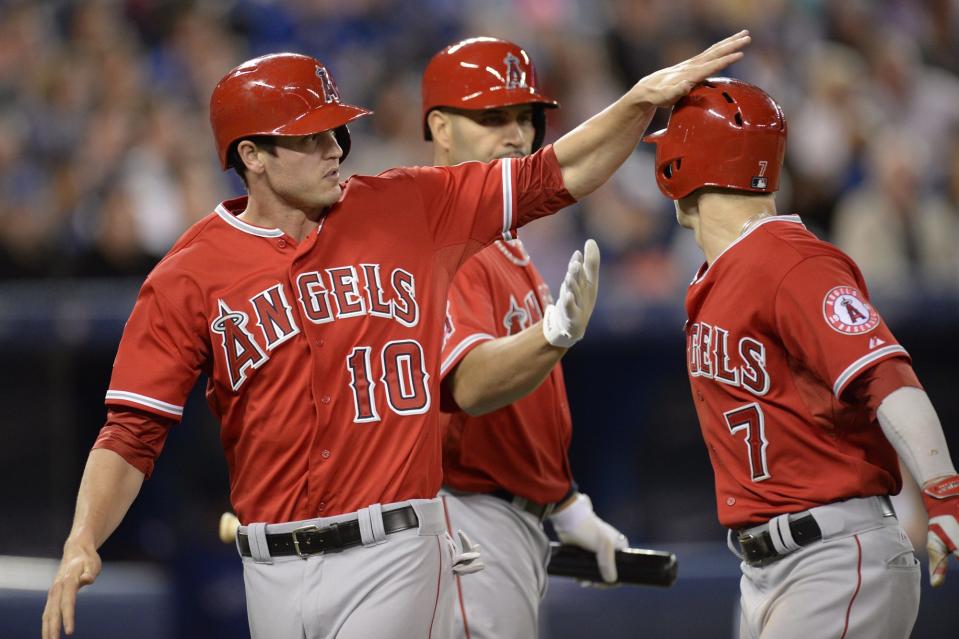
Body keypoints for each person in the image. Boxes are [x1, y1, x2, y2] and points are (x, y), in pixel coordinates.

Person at [42, 31, 752, 639]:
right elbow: (131, 430)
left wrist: (636, 102)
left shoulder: (407, 205)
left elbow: (554, 174)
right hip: (267, 562)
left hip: (397, 545)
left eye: (336, 131)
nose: (333, 147)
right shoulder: (188, 272)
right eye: (310, 136)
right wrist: (82, 538)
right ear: (251, 155)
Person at [642, 77, 959, 639]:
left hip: (834, 558)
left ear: (680, 165)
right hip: (769, 566)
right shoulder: (724, 273)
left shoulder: (792, 260)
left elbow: (886, 375)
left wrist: (943, 490)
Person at [421, 37, 627, 639]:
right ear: (440, 127)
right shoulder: (442, 236)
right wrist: (555, 334)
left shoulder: (501, 236)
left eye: (526, 118)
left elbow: (518, 417)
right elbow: (468, 385)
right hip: (462, 516)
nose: (515, 134)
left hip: (505, 518)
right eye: (492, 118)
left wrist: (564, 505)